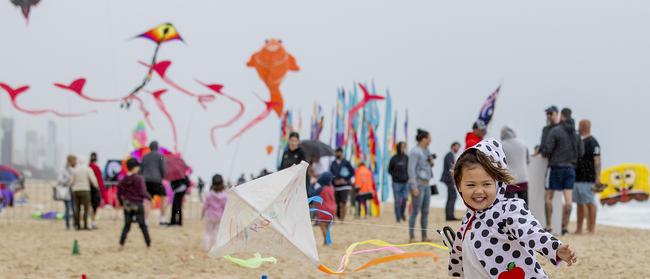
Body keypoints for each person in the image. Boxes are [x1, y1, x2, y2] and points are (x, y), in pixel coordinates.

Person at [447, 139, 577, 278]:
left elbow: (531, 231)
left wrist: (554, 247)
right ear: (459, 185)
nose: (479, 191)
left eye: (486, 184)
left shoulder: (508, 210)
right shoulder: (469, 217)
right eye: (471, 185)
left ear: (498, 183)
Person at [541, 108, 583, 235]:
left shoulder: (555, 131)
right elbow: (581, 152)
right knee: (568, 201)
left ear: (562, 116)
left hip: (555, 167)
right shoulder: (576, 134)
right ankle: (564, 227)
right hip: (570, 169)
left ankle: (549, 226)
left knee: (548, 197)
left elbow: (547, 150)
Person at [117, 158, 151, 249]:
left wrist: (121, 203)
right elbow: (143, 191)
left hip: (127, 204)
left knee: (127, 225)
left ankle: (121, 243)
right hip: (138, 204)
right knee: (142, 224)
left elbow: (119, 193)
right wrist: (149, 198)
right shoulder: (139, 178)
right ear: (135, 167)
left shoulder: (123, 179)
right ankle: (148, 243)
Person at [407, 129, 434, 243]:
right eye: (429, 138)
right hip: (418, 184)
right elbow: (411, 169)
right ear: (423, 139)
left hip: (427, 184)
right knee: (415, 211)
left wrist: (431, 162)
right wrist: (413, 186)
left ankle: (424, 236)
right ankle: (412, 236)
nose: (430, 141)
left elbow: (428, 166)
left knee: (426, 211)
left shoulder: (427, 151)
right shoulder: (415, 151)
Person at [574, 119, 601, 234]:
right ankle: (579, 228)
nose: (578, 127)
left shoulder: (593, 142)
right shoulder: (578, 140)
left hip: (588, 178)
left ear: (585, 126)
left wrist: (598, 177)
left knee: (590, 202)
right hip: (576, 177)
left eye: (580, 125)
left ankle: (592, 228)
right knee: (580, 204)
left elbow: (598, 160)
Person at [140, 141, 167, 225]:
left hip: (146, 181)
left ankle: (146, 220)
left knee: (148, 200)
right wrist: (162, 176)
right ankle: (162, 219)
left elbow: (141, 169)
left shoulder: (145, 156)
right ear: (157, 147)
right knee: (164, 198)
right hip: (156, 180)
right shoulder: (161, 156)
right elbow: (163, 169)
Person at [500, 126, 530, 203]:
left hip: (510, 180)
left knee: (508, 207)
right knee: (524, 207)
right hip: (523, 178)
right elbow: (528, 160)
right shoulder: (522, 143)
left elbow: (499, 163)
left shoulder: (501, 145)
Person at [69, 155, 99, 230]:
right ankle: (85, 225)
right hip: (85, 190)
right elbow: (93, 180)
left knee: (77, 208)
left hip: (76, 191)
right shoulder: (88, 169)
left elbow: (71, 181)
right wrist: (96, 186)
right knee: (86, 208)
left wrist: (72, 187)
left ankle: (77, 225)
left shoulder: (75, 170)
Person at [202, 174, 228, 251]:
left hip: (210, 216)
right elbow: (225, 207)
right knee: (216, 232)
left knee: (208, 232)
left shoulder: (209, 194)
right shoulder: (225, 196)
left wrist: (202, 213)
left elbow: (205, 205)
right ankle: (214, 248)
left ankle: (206, 248)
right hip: (219, 217)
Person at [329, 148, 354, 221]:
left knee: (343, 202)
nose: (338, 154)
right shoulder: (333, 163)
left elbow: (352, 172)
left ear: (342, 153)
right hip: (336, 186)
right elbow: (331, 174)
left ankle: (342, 219)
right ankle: (337, 217)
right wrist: (335, 181)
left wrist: (345, 180)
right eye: (337, 152)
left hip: (345, 186)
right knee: (336, 203)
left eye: (339, 152)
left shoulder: (346, 162)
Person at [388, 142, 409, 223]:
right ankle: (398, 217)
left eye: (404, 147)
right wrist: (395, 175)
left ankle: (402, 213)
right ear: (398, 147)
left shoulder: (406, 157)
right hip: (396, 183)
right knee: (397, 201)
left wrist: (408, 177)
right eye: (402, 147)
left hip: (406, 182)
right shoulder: (393, 158)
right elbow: (389, 170)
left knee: (404, 199)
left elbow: (410, 169)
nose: (403, 148)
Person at [440, 142, 461, 221]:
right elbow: (451, 169)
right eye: (457, 147)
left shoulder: (450, 155)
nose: (458, 149)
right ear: (453, 146)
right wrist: (453, 180)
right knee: (453, 197)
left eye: (458, 147)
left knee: (451, 197)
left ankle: (449, 216)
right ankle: (450, 216)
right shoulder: (449, 155)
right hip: (449, 179)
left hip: (449, 179)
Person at [315, 172, 336, 246]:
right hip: (332, 208)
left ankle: (327, 241)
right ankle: (325, 241)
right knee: (327, 225)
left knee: (321, 224)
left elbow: (312, 193)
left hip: (324, 208)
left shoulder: (321, 188)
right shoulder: (331, 188)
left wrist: (312, 184)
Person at [88, 152, 105, 229]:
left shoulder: (88, 167)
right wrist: (102, 192)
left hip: (88, 189)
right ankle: (93, 222)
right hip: (95, 189)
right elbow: (100, 180)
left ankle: (92, 221)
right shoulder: (96, 168)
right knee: (95, 207)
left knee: (90, 206)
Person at [58, 156, 75, 230]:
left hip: (74, 190)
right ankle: (67, 225)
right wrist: (68, 179)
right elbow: (60, 180)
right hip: (66, 190)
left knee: (75, 208)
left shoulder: (75, 169)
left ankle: (75, 224)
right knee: (67, 208)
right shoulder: (63, 169)